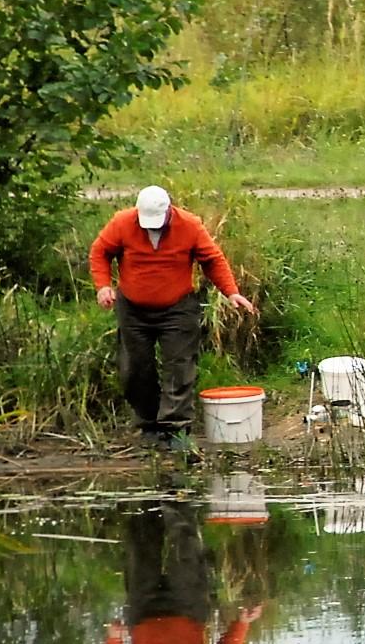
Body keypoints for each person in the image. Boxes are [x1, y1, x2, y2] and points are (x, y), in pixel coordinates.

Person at [89, 186, 256, 450]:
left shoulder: (189, 225)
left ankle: (176, 429)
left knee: (179, 367)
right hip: (132, 309)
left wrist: (231, 292)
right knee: (134, 369)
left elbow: (212, 259)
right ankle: (149, 424)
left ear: (169, 211)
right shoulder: (122, 223)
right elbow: (100, 252)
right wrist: (102, 285)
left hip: (178, 308)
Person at [103, 501, 263, 644]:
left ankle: (143, 503)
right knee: (186, 551)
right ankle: (175, 498)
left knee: (141, 553)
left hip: (143, 615)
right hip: (188, 611)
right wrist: (242, 623)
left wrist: (114, 641)